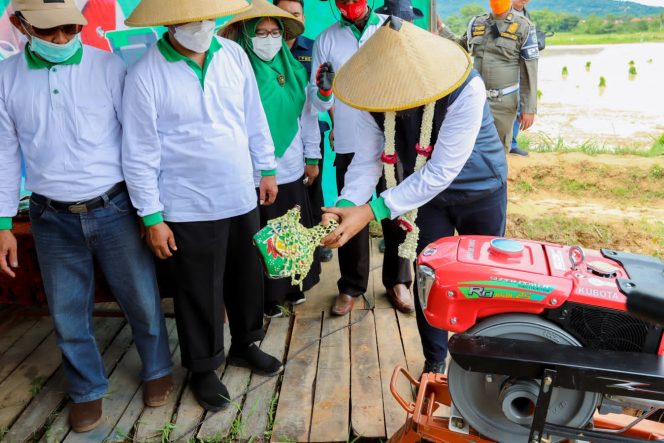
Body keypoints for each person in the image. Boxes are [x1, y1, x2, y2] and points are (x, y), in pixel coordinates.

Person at [0, 0, 173, 433]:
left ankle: (156, 369)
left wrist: (147, 210)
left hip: (112, 206)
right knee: (67, 312)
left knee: (141, 299)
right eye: (48, 31)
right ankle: (86, 389)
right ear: (19, 24)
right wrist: (3, 222)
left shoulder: (110, 67)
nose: (61, 39)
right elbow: (4, 155)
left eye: (69, 29)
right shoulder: (6, 78)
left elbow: (138, 143)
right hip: (49, 215)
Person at [321, 18, 508, 375]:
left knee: (482, 280)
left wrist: (372, 210)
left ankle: (481, 363)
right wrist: (345, 207)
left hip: (479, 189)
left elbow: (440, 171)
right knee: (430, 278)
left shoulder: (466, 87)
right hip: (426, 198)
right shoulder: (370, 96)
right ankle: (435, 362)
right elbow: (367, 159)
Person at [122, 0, 283, 412]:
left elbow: (253, 115)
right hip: (186, 203)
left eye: (207, 18)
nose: (200, 26)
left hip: (239, 191)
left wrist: (266, 167)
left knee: (248, 276)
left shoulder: (232, 54)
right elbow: (139, 152)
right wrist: (152, 215)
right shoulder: (145, 73)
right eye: (191, 20)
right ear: (170, 22)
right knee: (198, 289)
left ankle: (246, 343)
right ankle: (203, 366)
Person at [311, 0, 414, 316]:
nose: (351, 4)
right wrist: (324, 91)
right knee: (349, 211)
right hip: (348, 139)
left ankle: (398, 281)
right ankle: (351, 285)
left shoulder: (391, 26)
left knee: (394, 211)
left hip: (390, 137)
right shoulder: (325, 40)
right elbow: (316, 101)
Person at [220, 0, 322, 317]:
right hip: (252, 171)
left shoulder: (292, 69)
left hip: (290, 165)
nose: (268, 38)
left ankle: (291, 287)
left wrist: (312, 155)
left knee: (289, 230)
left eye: (274, 32)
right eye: (260, 32)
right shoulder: (236, 70)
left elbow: (307, 116)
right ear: (247, 36)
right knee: (260, 237)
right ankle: (266, 296)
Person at [275, 0, 334, 264]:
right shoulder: (265, 49)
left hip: (311, 132)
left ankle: (316, 239)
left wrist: (335, 126)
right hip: (278, 135)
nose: (291, 19)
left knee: (313, 186)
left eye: (296, 14)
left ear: (304, 18)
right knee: (285, 192)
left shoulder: (313, 47)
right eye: (284, 14)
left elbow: (327, 92)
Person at [454, 0, 539, 156]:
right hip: (475, 99)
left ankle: (498, 179)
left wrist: (528, 108)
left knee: (498, 151)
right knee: (470, 148)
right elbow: (459, 46)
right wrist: (437, 39)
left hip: (503, 102)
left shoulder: (523, 26)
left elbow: (530, 71)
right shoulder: (477, 22)